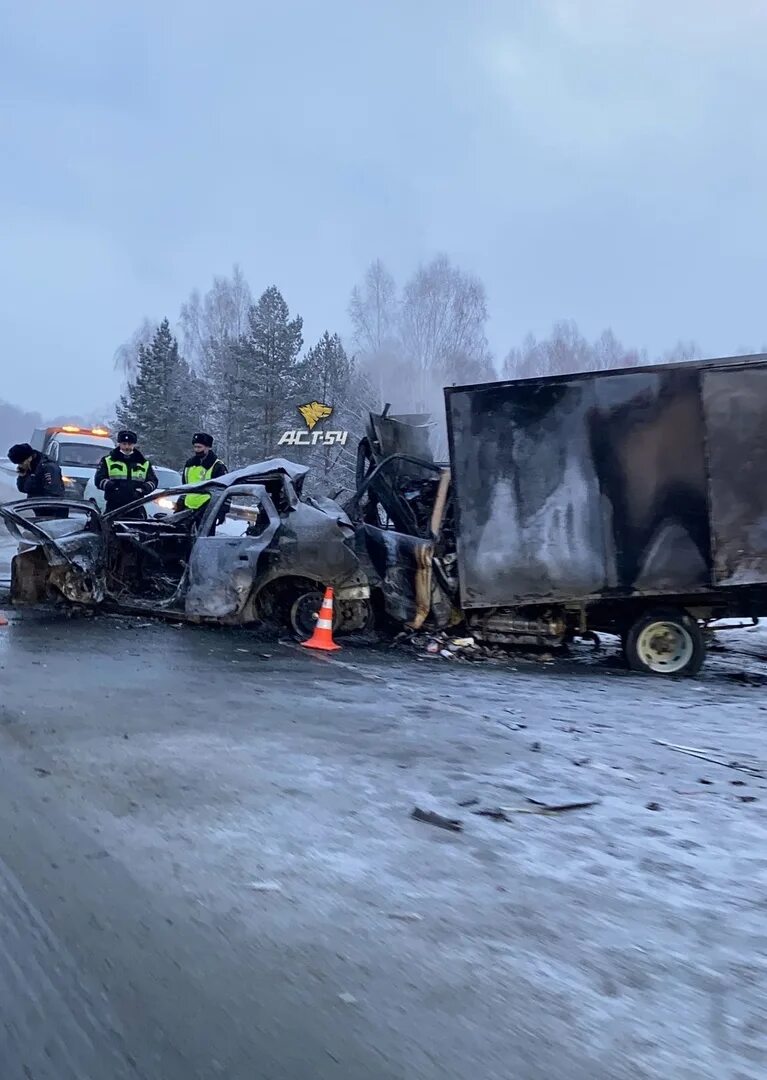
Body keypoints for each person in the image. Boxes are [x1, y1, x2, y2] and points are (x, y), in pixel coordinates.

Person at [94, 430, 158, 518]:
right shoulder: (107, 460)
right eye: (124, 444)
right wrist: (113, 487)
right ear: (119, 444)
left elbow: (153, 481)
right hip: (114, 506)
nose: (127, 447)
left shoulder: (144, 463)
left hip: (136, 506)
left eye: (130, 444)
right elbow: (98, 479)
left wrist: (143, 489)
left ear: (134, 445)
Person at [7, 442, 67, 517]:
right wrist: (22, 476)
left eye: (21, 462)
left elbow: (53, 493)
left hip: (53, 512)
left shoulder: (48, 468)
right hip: (39, 509)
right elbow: (23, 489)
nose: (20, 465)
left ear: (29, 458)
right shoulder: (31, 467)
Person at [175, 433, 228, 514]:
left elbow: (224, 490)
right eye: (195, 447)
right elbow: (185, 486)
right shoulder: (189, 464)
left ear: (208, 447)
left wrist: (222, 511)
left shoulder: (217, 466)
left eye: (199, 447)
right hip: (187, 508)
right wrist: (181, 502)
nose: (196, 450)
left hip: (207, 510)